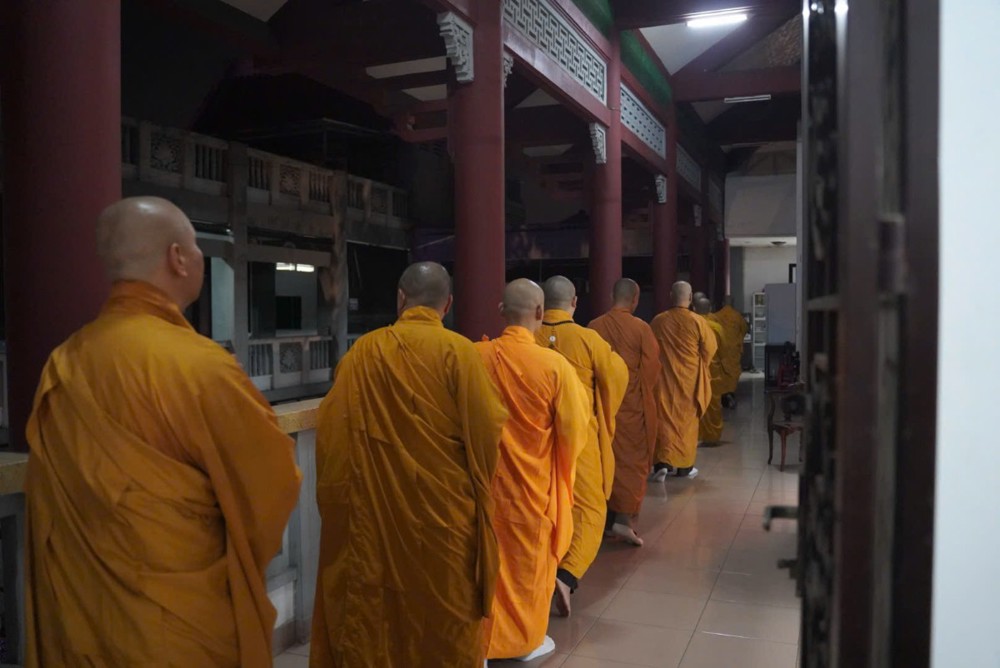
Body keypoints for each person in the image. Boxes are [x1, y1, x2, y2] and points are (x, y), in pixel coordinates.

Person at [24, 197, 302, 667]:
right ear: (177, 258)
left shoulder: (63, 364)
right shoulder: (199, 366)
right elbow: (270, 489)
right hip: (178, 628)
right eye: (196, 249)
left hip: (82, 620)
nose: (198, 259)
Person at [310, 262, 508, 668]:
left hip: (376, 522)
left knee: (378, 619)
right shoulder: (460, 354)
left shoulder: (363, 353)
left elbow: (332, 436)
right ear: (448, 304)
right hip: (444, 521)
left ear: (400, 299)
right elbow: (487, 433)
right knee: (444, 624)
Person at [477, 279, 590, 662]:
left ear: (500, 311)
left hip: (483, 488)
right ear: (541, 313)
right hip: (531, 491)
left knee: (485, 565)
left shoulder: (475, 357)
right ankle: (522, 643)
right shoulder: (555, 367)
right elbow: (575, 432)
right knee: (526, 568)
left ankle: (482, 641)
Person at [536, 276, 627, 616]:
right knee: (590, 509)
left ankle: (538, 573)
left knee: (540, 508)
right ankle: (566, 575)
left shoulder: (529, 336)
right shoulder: (589, 340)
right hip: (580, 440)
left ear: (541, 305)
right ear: (574, 302)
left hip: (535, 441)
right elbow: (617, 376)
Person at [588, 279, 662, 547]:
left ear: (612, 296)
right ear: (635, 299)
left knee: (603, 463)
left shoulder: (594, 327)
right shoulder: (642, 329)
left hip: (602, 408)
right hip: (632, 408)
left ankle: (605, 521)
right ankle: (624, 520)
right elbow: (651, 372)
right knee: (632, 464)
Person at [650, 281, 718, 480]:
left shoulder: (658, 321)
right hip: (689, 381)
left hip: (664, 380)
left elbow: (651, 349)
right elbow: (710, 349)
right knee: (686, 423)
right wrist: (698, 364)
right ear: (689, 298)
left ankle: (662, 463)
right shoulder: (698, 322)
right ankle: (684, 468)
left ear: (671, 296)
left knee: (664, 420)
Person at [694, 297, 726, 445]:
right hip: (713, 371)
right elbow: (723, 350)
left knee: (696, 403)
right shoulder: (716, 327)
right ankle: (712, 436)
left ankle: (698, 435)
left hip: (695, 371)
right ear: (710, 309)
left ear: (694, 309)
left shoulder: (692, 325)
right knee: (713, 404)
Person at [712, 296, 749, 407]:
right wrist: (738, 338)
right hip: (733, 350)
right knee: (732, 372)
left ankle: (723, 394)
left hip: (720, 349)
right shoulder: (737, 316)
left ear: (723, 303)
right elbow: (744, 329)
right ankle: (730, 392)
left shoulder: (716, 316)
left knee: (722, 371)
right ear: (732, 303)